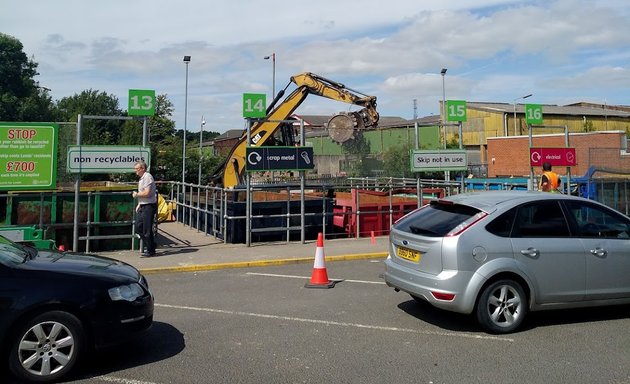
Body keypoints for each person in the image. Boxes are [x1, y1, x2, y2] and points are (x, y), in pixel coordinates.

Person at [132, 160, 157, 256]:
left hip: (149, 206)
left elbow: (147, 193)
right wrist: (139, 204)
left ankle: (151, 250)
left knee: (146, 229)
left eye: (137, 169)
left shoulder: (147, 177)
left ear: (142, 169)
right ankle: (151, 245)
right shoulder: (142, 178)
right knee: (138, 227)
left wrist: (137, 195)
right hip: (144, 205)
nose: (136, 171)